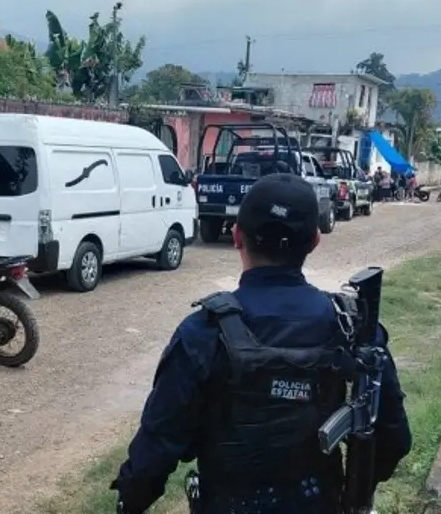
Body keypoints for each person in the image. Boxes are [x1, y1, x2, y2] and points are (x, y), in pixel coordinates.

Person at [111, 173, 412, 513]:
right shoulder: (353, 324)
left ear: (237, 235)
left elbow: (156, 447)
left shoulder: (202, 332)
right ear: (315, 240)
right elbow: (395, 437)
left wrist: (130, 502)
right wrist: (355, 490)